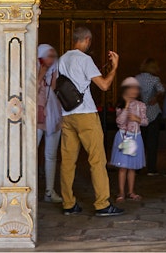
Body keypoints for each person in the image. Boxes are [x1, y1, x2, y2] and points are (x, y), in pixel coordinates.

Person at [57, 26, 124, 217]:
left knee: (68, 161)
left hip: (67, 114)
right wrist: (114, 68)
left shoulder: (62, 59)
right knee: (97, 159)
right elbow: (103, 85)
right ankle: (102, 204)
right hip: (86, 114)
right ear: (87, 40)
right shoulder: (84, 59)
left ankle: (68, 203)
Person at [110, 77, 147, 201]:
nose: (134, 91)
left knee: (132, 167)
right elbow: (119, 121)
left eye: (136, 89)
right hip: (123, 137)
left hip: (135, 138)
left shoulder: (140, 105)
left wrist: (137, 119)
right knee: (123, 167)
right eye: (132, 88)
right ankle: (121, 192)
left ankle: (131, 191)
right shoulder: (120, 105)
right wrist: (126, 106)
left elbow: (145, 121)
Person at [36, 44, 62, 203]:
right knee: (32, 153)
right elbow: (30, 91)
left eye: (54, 56)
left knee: (51, 155)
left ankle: (49, 191)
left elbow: (52, 90)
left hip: (52, 115)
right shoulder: (31, 70)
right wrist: (41, 74)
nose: (51, 60)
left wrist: (52, 76)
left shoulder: (53, 71)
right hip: (36, 117)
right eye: (48, 56)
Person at [135, 58, 165, 176]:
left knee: (139, 142)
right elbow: (162, 91)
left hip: (139, 114)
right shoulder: (155, 79)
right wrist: (156, 97)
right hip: (153, 113)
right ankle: (151, 168)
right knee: (152, 142)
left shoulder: (136, 79)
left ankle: (137, 167)